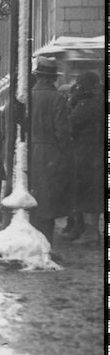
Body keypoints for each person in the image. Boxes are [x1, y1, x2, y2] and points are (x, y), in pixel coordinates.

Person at [28, 57, 71, 244]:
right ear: (52, 78)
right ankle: (46, 242)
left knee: (34, 197)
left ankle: (34, 240)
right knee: (49, 200)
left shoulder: (28, 96)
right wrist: (66, 153)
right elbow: (62, 130)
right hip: (52, 152)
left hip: (31, 152)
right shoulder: (57, 99)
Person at [65, 71, 102, 244]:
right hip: (94, 154)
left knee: (86, 194)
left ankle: (90, 234)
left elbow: (70, 125)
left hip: (86, 154)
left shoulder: (86, 105)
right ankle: (90, 232)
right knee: (91, 194)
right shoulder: (98, 101)